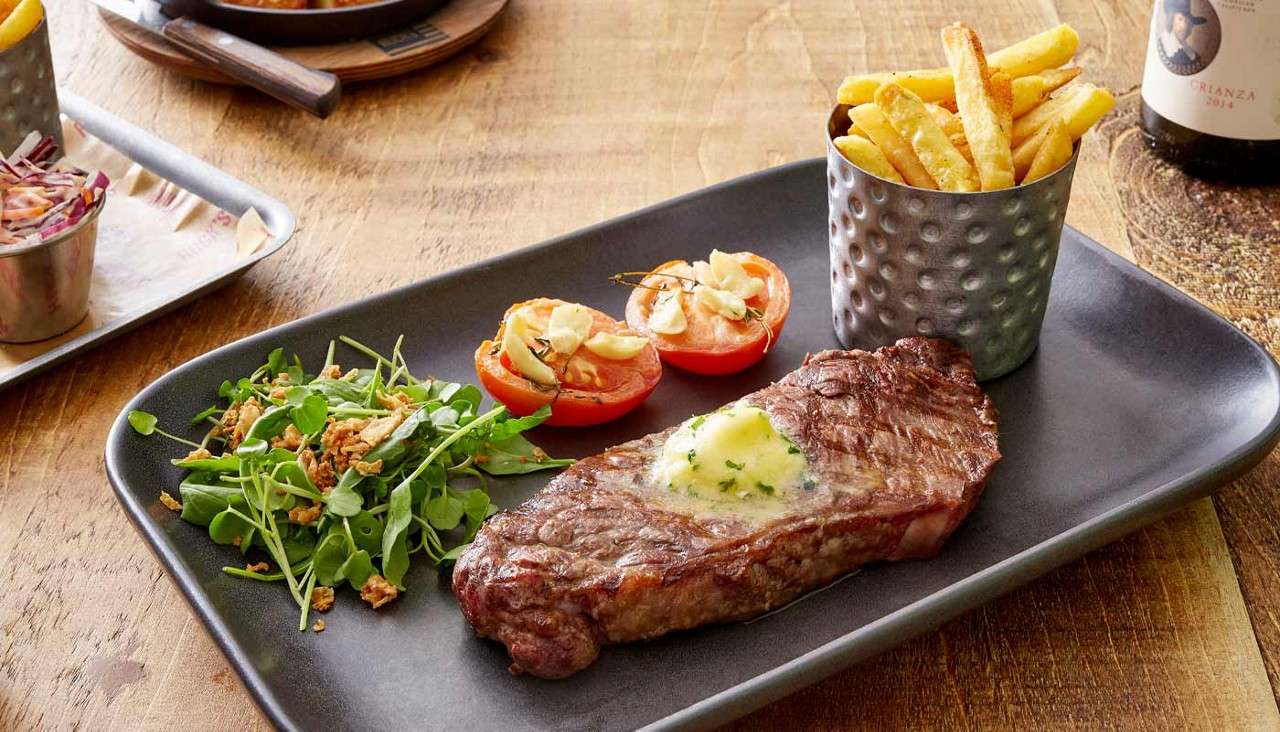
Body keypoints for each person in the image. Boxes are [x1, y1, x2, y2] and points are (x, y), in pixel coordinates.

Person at [1159, 0, 1209, 69]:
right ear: (1171, 19)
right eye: (1180, 19)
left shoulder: (1189, 51)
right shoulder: (1167, 46)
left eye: (1188, 22)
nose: (1184, 26)